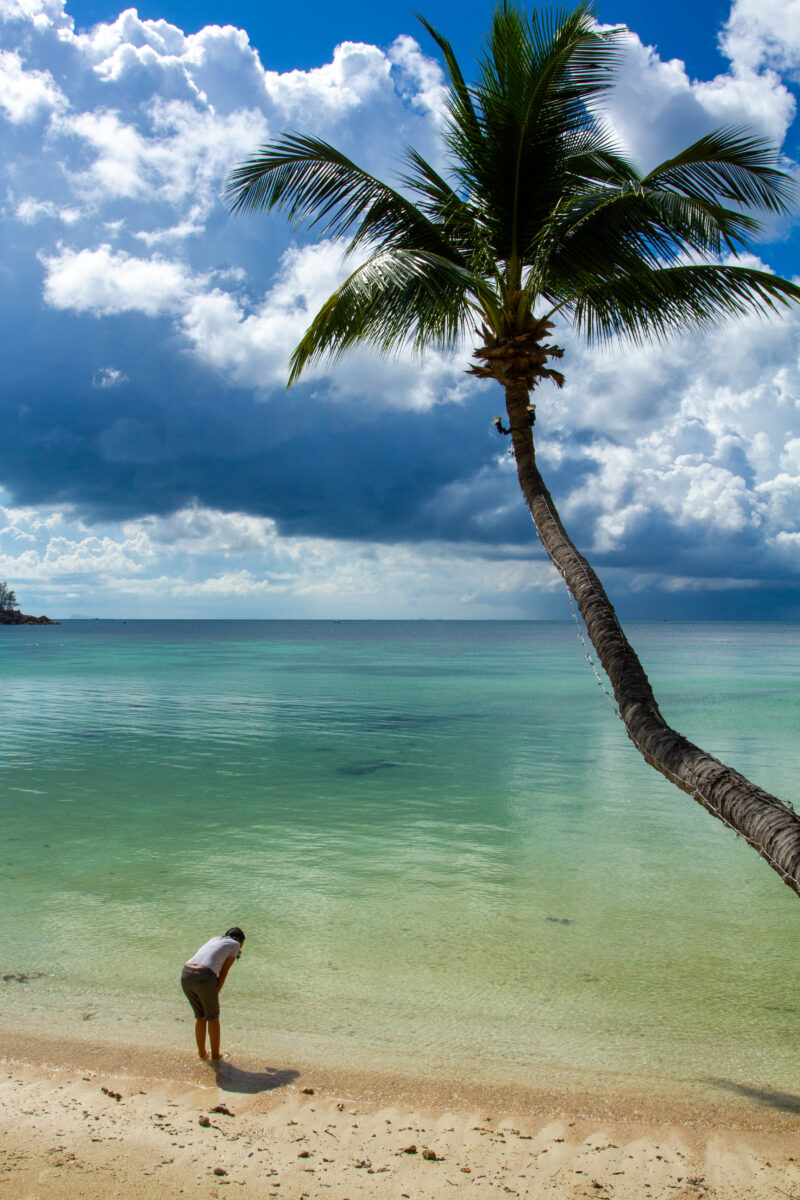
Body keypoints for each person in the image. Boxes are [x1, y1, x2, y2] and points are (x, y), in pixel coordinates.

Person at [181, 926, 245, 1061]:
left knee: (200, 1016)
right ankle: (216, 1056)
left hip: (186, 973)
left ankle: (202, 1053)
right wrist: (216, 992)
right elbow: (223, 972)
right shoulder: (235, 945)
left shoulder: (215, 939)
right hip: (204, 976)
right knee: (213, 1017)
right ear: (240, 940)